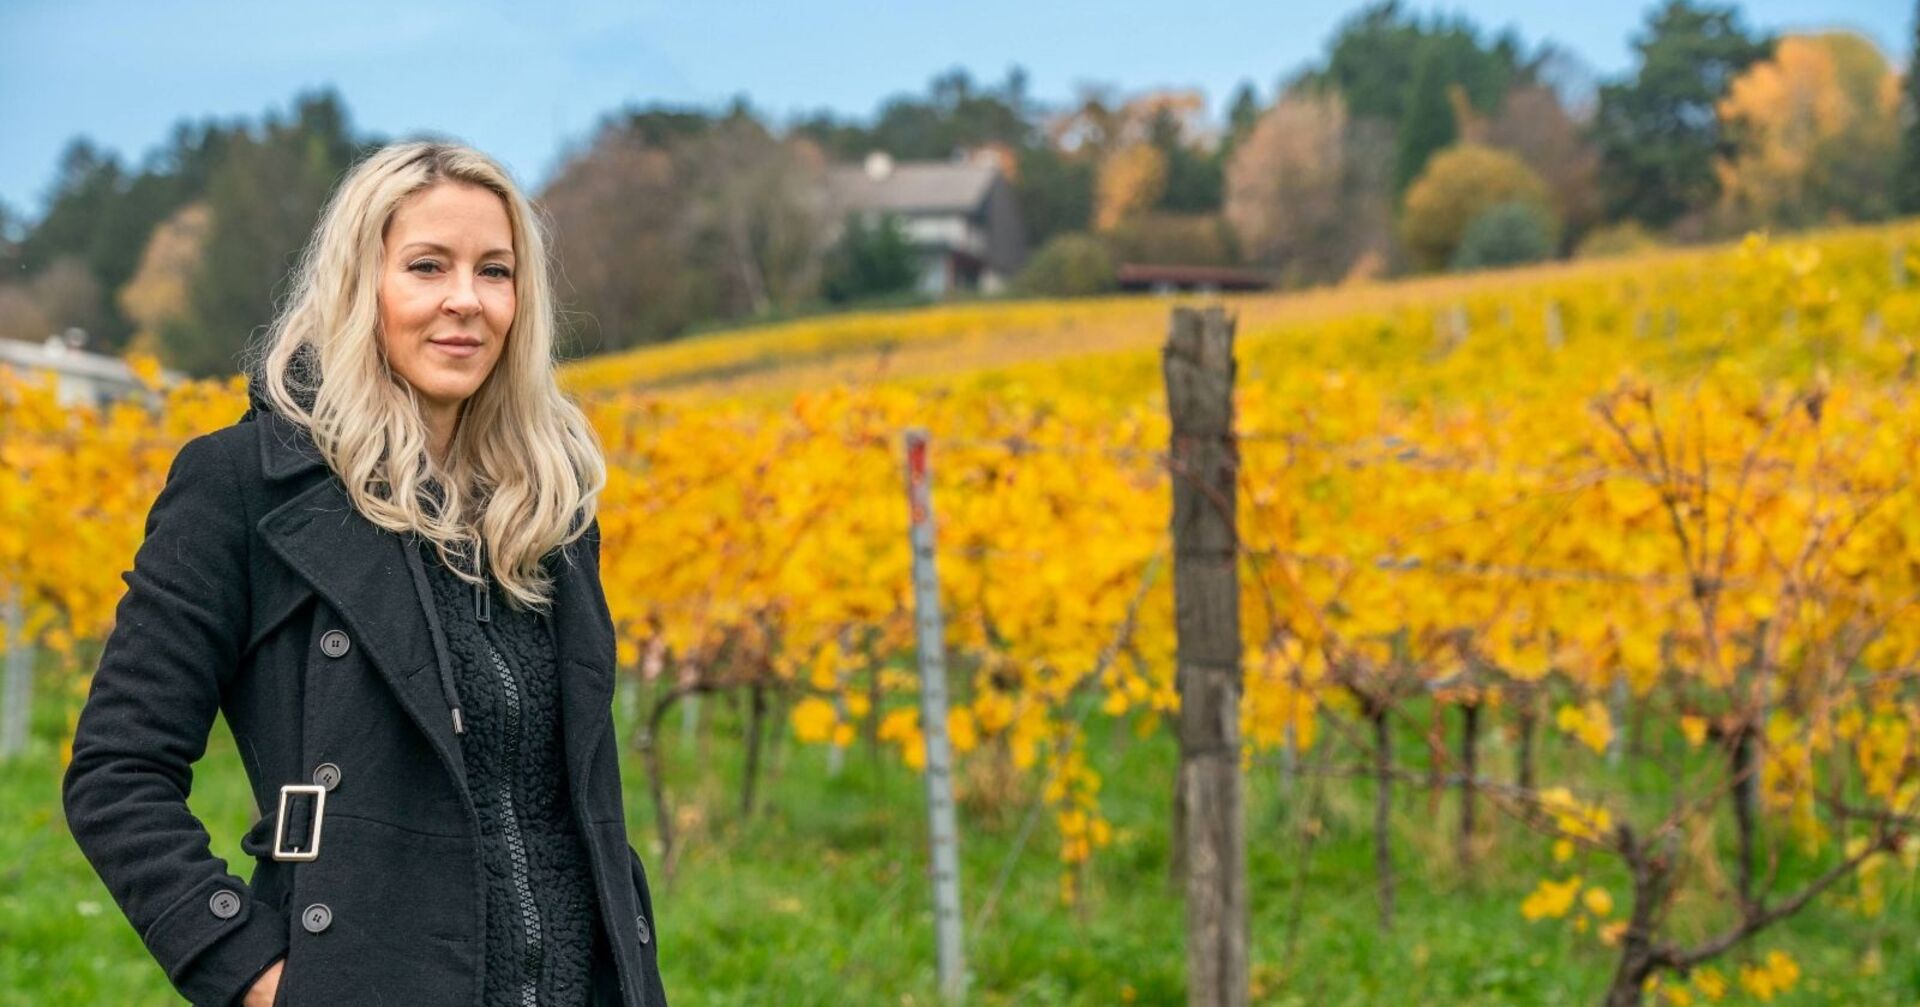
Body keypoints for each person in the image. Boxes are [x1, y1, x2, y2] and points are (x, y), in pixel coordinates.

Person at [61, 141, 668, 1007]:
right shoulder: (243, 487)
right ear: (359, 285)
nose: (466, 299)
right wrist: (254, 972)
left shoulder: (547, 505)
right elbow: (117, 771)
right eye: (427, 266)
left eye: (494, 271)